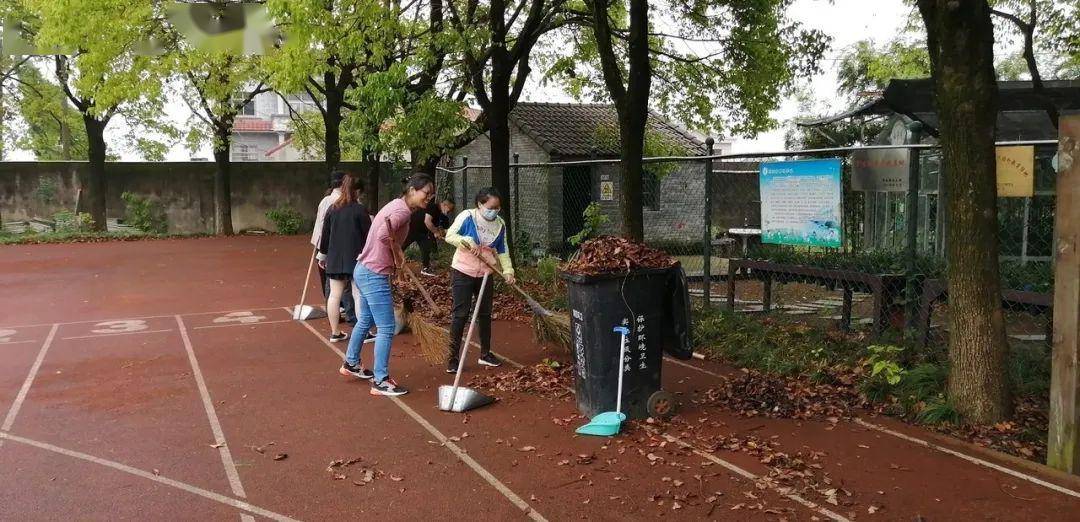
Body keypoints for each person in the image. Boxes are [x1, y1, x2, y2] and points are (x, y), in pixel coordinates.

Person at [340, 174, 436, 396]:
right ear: (412, 190)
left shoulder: (396, 205)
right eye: (425, 193)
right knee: (386, 328)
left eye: (431, 195)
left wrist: (396, 262)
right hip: (374, 273)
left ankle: (351, 363)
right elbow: (385, 235)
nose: (428, 198)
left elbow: (382, 233)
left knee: (366, 319)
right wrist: (398, 254)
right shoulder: (402, 211)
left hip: (363, 269)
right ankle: (381, 380)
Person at [443, 187, 515, 373]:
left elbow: (503, 249)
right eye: (491, 207)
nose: (495, 210)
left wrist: (508, 270)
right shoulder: (468, 216)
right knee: (460, 314)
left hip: (486, 273)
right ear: (480, 204)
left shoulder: (500, 224)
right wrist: (467, 242)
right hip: (463, 270)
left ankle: (485, 354)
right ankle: (453, 357)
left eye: (498, 207)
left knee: (484, 314)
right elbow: (450, 235)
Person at [318, 173, 371, 343]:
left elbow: (324, 235)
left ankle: (334, 332)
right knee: (358, 295)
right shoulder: (360, 210)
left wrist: (322, 255)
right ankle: (362, 332)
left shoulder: (332, 209)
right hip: (355, 259)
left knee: (334, 295)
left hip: (334, 258)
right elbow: (368, 236)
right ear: (356, 191)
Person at [310, 170, 356, 324]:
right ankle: (349, 313)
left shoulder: (326, 201)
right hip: (336, 246)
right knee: (347, 284)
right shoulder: (345, 202)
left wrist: (320, 249)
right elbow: (325, 226)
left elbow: (321, 225)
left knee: (331, 283)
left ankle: (336, 313)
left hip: (325, 245)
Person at [403, 197, 453, 277]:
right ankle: (392, 263)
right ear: (444, 204)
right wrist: (435, 232)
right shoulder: (433, 207)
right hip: (412, 228)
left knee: (426, 248)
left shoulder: (439, 214)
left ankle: (425, 268)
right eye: (449, 209)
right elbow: (427, 221)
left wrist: (438, 233)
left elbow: (434, 227)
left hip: (422, 232)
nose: (449, 212)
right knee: (402, 246)